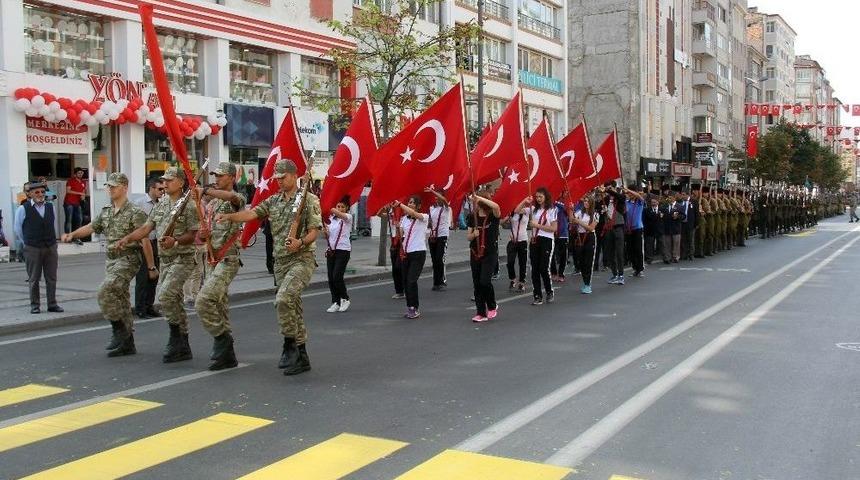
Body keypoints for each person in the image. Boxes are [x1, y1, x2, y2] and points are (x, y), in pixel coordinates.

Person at [216, 159, 321, 376]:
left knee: (283, 299)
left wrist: (300, 242)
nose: (280, 182)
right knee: (293, 306)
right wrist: (229, 217)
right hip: (280, 262)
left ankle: (289, 344)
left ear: (294, 175)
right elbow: (252, 214)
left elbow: (314, 230)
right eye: (277, 178)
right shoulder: (273, 201)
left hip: (302, 259)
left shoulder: (308, 200)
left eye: (283, 177)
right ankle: (301, 354)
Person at [62, 173, 156, 357]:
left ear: (124, 187)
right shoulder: (106, 211)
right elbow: (91, 227)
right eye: (109, 186)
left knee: (106, 290)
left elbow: (144, 239)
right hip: (111, 260)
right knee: (120, 298)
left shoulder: (135, 212)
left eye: (114, 186)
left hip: (128, 258)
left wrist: (151, 267)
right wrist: (72, 234)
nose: (110, 189)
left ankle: (118, 329)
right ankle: (127, 343)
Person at [117, 166, 200, 364]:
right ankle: (182, 341)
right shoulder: (161, 204)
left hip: (183, 258)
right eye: (164, 180)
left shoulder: (188, 206)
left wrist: (177, 241)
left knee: (165, 295)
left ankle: (175, 336)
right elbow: (147, 227)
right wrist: (127, 238)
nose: (165, 183)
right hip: (166, 260)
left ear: (180, 182)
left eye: (170, 180)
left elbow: (192, 234)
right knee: (174, 299)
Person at [190, 162, 246, 371]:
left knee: (203, 301)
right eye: (215, 175)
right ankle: (227, 355)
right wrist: (203, 235)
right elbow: (206, 232)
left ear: (232, 178)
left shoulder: (236, 199)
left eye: (221, 176)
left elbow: (232, 199)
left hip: (228, 259)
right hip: (211, 259)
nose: (217, 179)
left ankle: (222, 339)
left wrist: (205, 190)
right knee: (220, 306)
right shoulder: (212, 204)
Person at [14, 181, 63, 314]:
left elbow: (52, 224)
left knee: (51, 277)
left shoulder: (50, 207)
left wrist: (53, 242)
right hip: (32, 247)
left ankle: (52, 304)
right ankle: (35, 305)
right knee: (34, 278)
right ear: (29, 194)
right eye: (36, 192)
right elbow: (18, 229)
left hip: (50, 246)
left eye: (42, 192)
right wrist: (27, 243)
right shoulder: (23, 209)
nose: (40, 194)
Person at [517, 187, 557, 305]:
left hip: (547, 240)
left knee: (543, 268)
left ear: (546, 197)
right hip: (534, 240)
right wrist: (525, 201)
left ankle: (549, 291)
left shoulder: (552, 210)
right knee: (534, 269)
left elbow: (554, 229)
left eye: (541, 196)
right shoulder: (533, 209)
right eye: (537, 197)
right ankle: (537, 295)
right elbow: (517, 211)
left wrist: (537, 225)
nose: (538, 199)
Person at [467, 192, 501, 322]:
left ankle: (492, 306)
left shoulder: (493, 215)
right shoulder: (472, 216)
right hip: (475, 253)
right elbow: (468, 236)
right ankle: (480, 312)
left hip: (489, 253)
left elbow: (496, 206)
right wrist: (473, 235)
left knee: (485, 281)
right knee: (477, 284)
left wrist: (479, 197)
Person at [394, 195, 428, 319]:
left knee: (411, 280)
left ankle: (414, 307)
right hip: (406, 253)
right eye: (409, 202)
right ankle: (410, 306)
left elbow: (414, 214)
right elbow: (400, 235)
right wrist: (397, 227)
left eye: (413, 203)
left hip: (418, 252)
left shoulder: (424, 217)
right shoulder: (404, 219)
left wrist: (399, 205)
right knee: (405, 281)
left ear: (418, 206)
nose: (410, 204)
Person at [134, 177, 164, 319]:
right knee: (143, 276)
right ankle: (140, 308)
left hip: (157, 242)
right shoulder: (140, 203)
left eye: (163, 189)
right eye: (159, 189)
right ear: (151, 188)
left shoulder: (162, 204)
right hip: (143, 242)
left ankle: (149, 306)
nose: (162, 192)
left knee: (155, 275)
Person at [324, 196, 353, 313]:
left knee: (337, 276)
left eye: (342, 207)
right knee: (331, 278)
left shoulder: (348, 218)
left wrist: (327, 206)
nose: (340, 209)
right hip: (332, 250)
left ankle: (345, 298)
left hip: (343, 250)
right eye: (338, 206)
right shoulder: (331, 219)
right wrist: (325, 232)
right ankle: (335, 302)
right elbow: (329, 235)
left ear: (347, 208)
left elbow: (342, 215)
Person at [571, 195, 599, 294]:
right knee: (581, 261)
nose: (586, 203)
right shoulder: (579, 212)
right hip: (580, 238)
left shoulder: (595, 214)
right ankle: (585, 281)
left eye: (588, 201)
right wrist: (570, 209)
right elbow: (572, 220)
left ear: (591, 203)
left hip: (590, 237)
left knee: (588, 261)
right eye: (585, 201)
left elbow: (591, 228)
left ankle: (588, 284)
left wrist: (579, 221)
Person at [602, 182, 627, 285]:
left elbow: (620, 196)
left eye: (610, 187)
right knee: (610, 253)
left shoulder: (620, 198)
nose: (608, 189)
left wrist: (608, 190)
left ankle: (621, 275)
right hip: (609, 228)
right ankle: (614, 274)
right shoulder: (607, 200)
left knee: (619, 253)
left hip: (618, 227)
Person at [426, 188, 450, 291]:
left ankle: (441, 281)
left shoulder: (446, 208)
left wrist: (433, 191)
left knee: (439, 258)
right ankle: (436, 282)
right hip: (433, 236)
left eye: (438, 196)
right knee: (434, 260)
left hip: (442, 235)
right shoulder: (432, 208)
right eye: (435, 197)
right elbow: (430, 222)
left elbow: (444, 200)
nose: (436, 198)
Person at [379, 204, 405, 299]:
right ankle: (399, 291)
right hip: (394, 241)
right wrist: (384, 207)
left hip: (403, 240)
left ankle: (405, 288)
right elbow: (379, 214)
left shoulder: (403, 211)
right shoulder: (390, 212)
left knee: (400, 266)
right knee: (395, 268)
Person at [504, 208, 528, 292]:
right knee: (510, 262)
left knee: (522, 263)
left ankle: (522, 282)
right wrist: (507, 218)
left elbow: (520, 210)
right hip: (512, 241)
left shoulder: (527, 210)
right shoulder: (512, 212)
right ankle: (513, 278)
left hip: (523, 240)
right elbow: (502, 223)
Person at [624, 185, 645, 277]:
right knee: (630, 250)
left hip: (637, 229)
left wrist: (628, 189)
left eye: (631, 193)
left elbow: (639, 196)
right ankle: (635, 268)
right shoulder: (626, 202)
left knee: (638, 249)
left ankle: (640, 269)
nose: (630, 194)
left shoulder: (640, 202)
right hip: (628, 229)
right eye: (628, 193)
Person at [550, 192, 571, 283]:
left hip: (563, 233)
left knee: (563, 256)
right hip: (552, 232)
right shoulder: (550, 203)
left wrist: (556, 202)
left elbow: (568, 210)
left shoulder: (566, 202)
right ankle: (553, 272)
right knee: (551, 254)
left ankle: (561, 274)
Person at [660, 190, 686, 263]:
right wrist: (661, 216)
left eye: (671, 197)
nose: (669, 199)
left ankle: (675, 257)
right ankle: (668, 257)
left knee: (676, 244)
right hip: (667, 228)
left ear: (674, 198)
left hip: (676, 228)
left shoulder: (680, 206)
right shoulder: (664, 206)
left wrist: (678, 216)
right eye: (668, 197)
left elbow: (684, 216)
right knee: (667, 244)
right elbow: (661, 213)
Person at [63, 167, 87, 244]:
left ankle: (76, 237)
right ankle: (67, 237)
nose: (81, 174)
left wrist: (83, 197)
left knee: (79, 220)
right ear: (75, 174)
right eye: (79, 173)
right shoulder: (70, 181)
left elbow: (83, 191)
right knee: (69, 220)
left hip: (77, 203)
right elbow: (68, 191)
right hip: (69, 202)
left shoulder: (83, 182)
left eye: (81, 173)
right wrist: (80, 193)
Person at [643, 195, 662, 264]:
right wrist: (657, 215)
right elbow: (649, 218)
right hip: (650, 230)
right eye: (652, 202)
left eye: (654, 202)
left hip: (660, 230)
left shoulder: (662, 209)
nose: (653, 204)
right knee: (649, 246)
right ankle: (649, 258)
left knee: (662, 244)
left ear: (658, 202)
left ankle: (665, 257)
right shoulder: (647, 210)